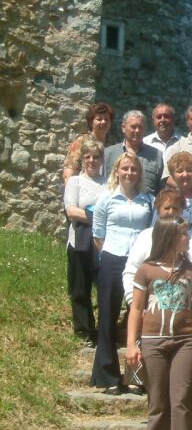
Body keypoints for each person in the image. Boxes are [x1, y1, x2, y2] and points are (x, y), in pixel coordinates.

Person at [125, 216, 192, 430]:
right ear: (170, 237)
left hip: (185, 341)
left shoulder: (191, 270)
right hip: (153, 342)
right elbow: (136, 308)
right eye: (184, 234)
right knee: (158, 400)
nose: (188, 238)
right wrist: (131, 343)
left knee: (182, 399)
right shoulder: (147, 269)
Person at [91, 152, 155, 394]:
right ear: (117, 171)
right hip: (112, 259)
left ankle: (135, 376)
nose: (129, 173)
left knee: (138, 318)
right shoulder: (106, 199)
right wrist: (111, 255)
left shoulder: (148, 200)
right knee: (108, 315)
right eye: (125, 168)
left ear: (139, 173)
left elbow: (150, 232)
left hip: (139, 263)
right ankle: (107, 376)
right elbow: (98, 235)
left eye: (133, 169)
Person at [64, 139, 108, 345]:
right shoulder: (75, 182)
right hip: (79, 241)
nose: (91, 160)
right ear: (82, 160)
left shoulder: (109, 183)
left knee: (105, 287)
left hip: (104, 241)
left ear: (102, 160)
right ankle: (84, 330)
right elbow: (71, 211)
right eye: (87, 156)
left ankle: (104, 331)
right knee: (80, 288)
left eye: (96, 157)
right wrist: (97, 216)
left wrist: (92, 215)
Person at [104, 109, 163, 195]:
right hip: (115, 201)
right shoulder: (109, 154)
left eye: (140, 127)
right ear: (123, 127)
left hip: (147, 202)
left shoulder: (156, 155)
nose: (137, 130)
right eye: (133, 127)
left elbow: (161, 189)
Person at [63, 102, 114, 182]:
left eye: (106, 119)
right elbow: (69, 173)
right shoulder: (81, 142)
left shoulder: (112, 145)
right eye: (99, 119)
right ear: (91, 122)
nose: (103, 122)